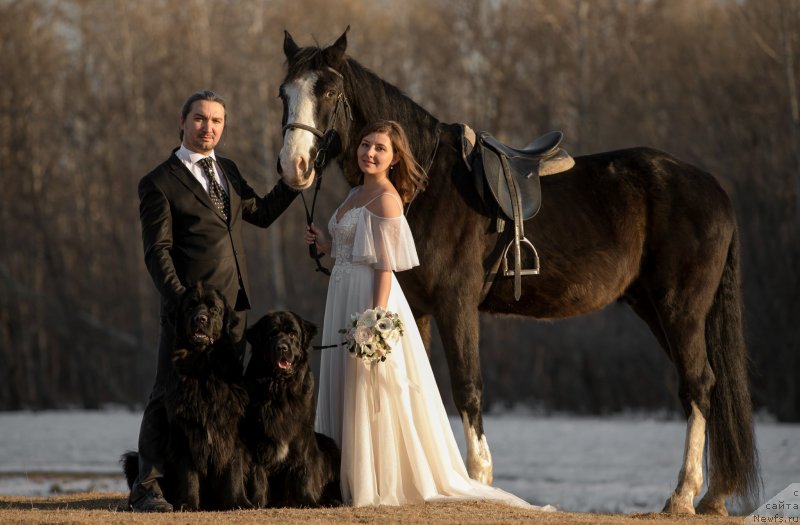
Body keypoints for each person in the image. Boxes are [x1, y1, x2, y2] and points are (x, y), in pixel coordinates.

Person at [305, 120, 550, 509]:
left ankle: (377, 480)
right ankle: (340, 476)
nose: (369, 152)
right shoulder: (355, 192)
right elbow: (351, 249)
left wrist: (374, 319)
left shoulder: (386, 198)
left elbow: (384, 265)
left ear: (394, 158)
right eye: (365, 145)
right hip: (342, 290)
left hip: (370, 298)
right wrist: (324, 241)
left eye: (379, 148)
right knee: (343, 382)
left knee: (374, 390)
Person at [131, 90, 299, 512]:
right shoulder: (159, 181)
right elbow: (158, 251)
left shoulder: (227, 169)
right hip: (190, 315)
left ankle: (227, 489)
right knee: (164, 394)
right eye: (201, 119)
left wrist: (295, 185)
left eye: (217, 121)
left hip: (233, 312)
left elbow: (259, 213)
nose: (209, 128)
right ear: (183, 121)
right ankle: (147, 488)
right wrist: (181, 301)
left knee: (228, 399)